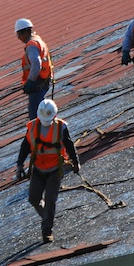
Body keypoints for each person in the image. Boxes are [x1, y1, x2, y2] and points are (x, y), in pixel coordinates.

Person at [15, 99, 80, 244]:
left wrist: (76, 162)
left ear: (55, 115)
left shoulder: (61, 127)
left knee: (50, 200)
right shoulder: (32, 127)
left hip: (55, 170)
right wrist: (19, 165)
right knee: (33, 198)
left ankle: (47, 231)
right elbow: (25, 146)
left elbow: (69, 145)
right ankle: (47, 217)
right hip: (38, 169)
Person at [15, 18, 53, 120]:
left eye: (19, 34)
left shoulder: (31, 45)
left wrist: (30, 81)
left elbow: (36, 63)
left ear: (26, 32)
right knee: (41, 112)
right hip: (43, 81)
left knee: (36, 115)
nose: (19, 37)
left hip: (37, 84)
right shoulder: (38, 41)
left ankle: (39, 134)